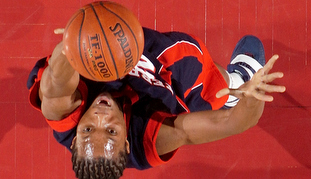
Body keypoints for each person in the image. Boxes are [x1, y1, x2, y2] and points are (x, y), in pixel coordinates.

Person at [28, 24, 284, 178]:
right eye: (110, 131)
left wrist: (72, 43)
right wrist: (253, 97)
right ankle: (236, 82)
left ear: (74, 139)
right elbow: (232, 124)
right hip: (159, 85)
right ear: (127, 144)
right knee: (204, 81)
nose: (100, 116)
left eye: (87, 129)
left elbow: (55, 85)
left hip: (100, 61)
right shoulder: (147, 143)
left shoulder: (63, 113)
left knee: (93, 54)